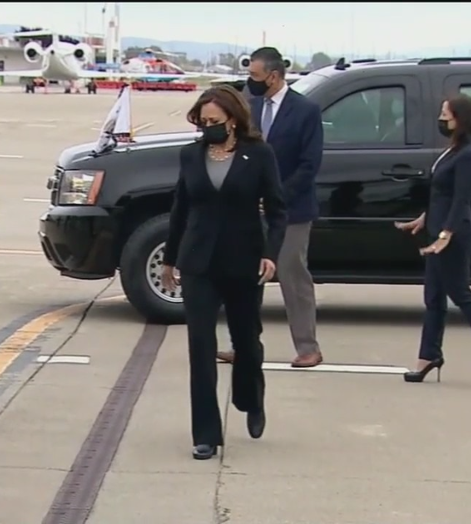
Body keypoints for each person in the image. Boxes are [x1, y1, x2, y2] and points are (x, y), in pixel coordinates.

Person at [161, 85, 287, 460]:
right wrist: (170, 259)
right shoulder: (191, 156)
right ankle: (206, 434)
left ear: (233, 119)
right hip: (198, 262)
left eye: (215, 121)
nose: (208, 127)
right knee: (200, 347)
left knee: (246, 341)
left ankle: (251, 397)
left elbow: (279, 211)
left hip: (243, 259)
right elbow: (180, 209)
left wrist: (270, 253)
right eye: (203, 122)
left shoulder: (259, 155)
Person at [216, 47, 324, 369]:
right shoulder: (248, 107)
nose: (251, 82)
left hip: (291, 210)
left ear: (274, 76)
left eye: (255, 76)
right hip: (250, 211)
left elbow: (309, 165)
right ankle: (244, 344)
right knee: (246, 280)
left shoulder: (305, 111)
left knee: (292, 276)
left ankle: (308, 347)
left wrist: (275, 196)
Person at [396, 94, 471, 385]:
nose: (441, 119)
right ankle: (428, 356)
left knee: (460, 293)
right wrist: (424, 219)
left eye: (446, 114)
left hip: (455, 235)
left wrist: (446, 234)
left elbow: (461, 200)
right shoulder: (454, 150)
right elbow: (442, 194)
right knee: (434, 298)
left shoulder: (469, 154)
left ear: (460, 118)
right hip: (438, 230)